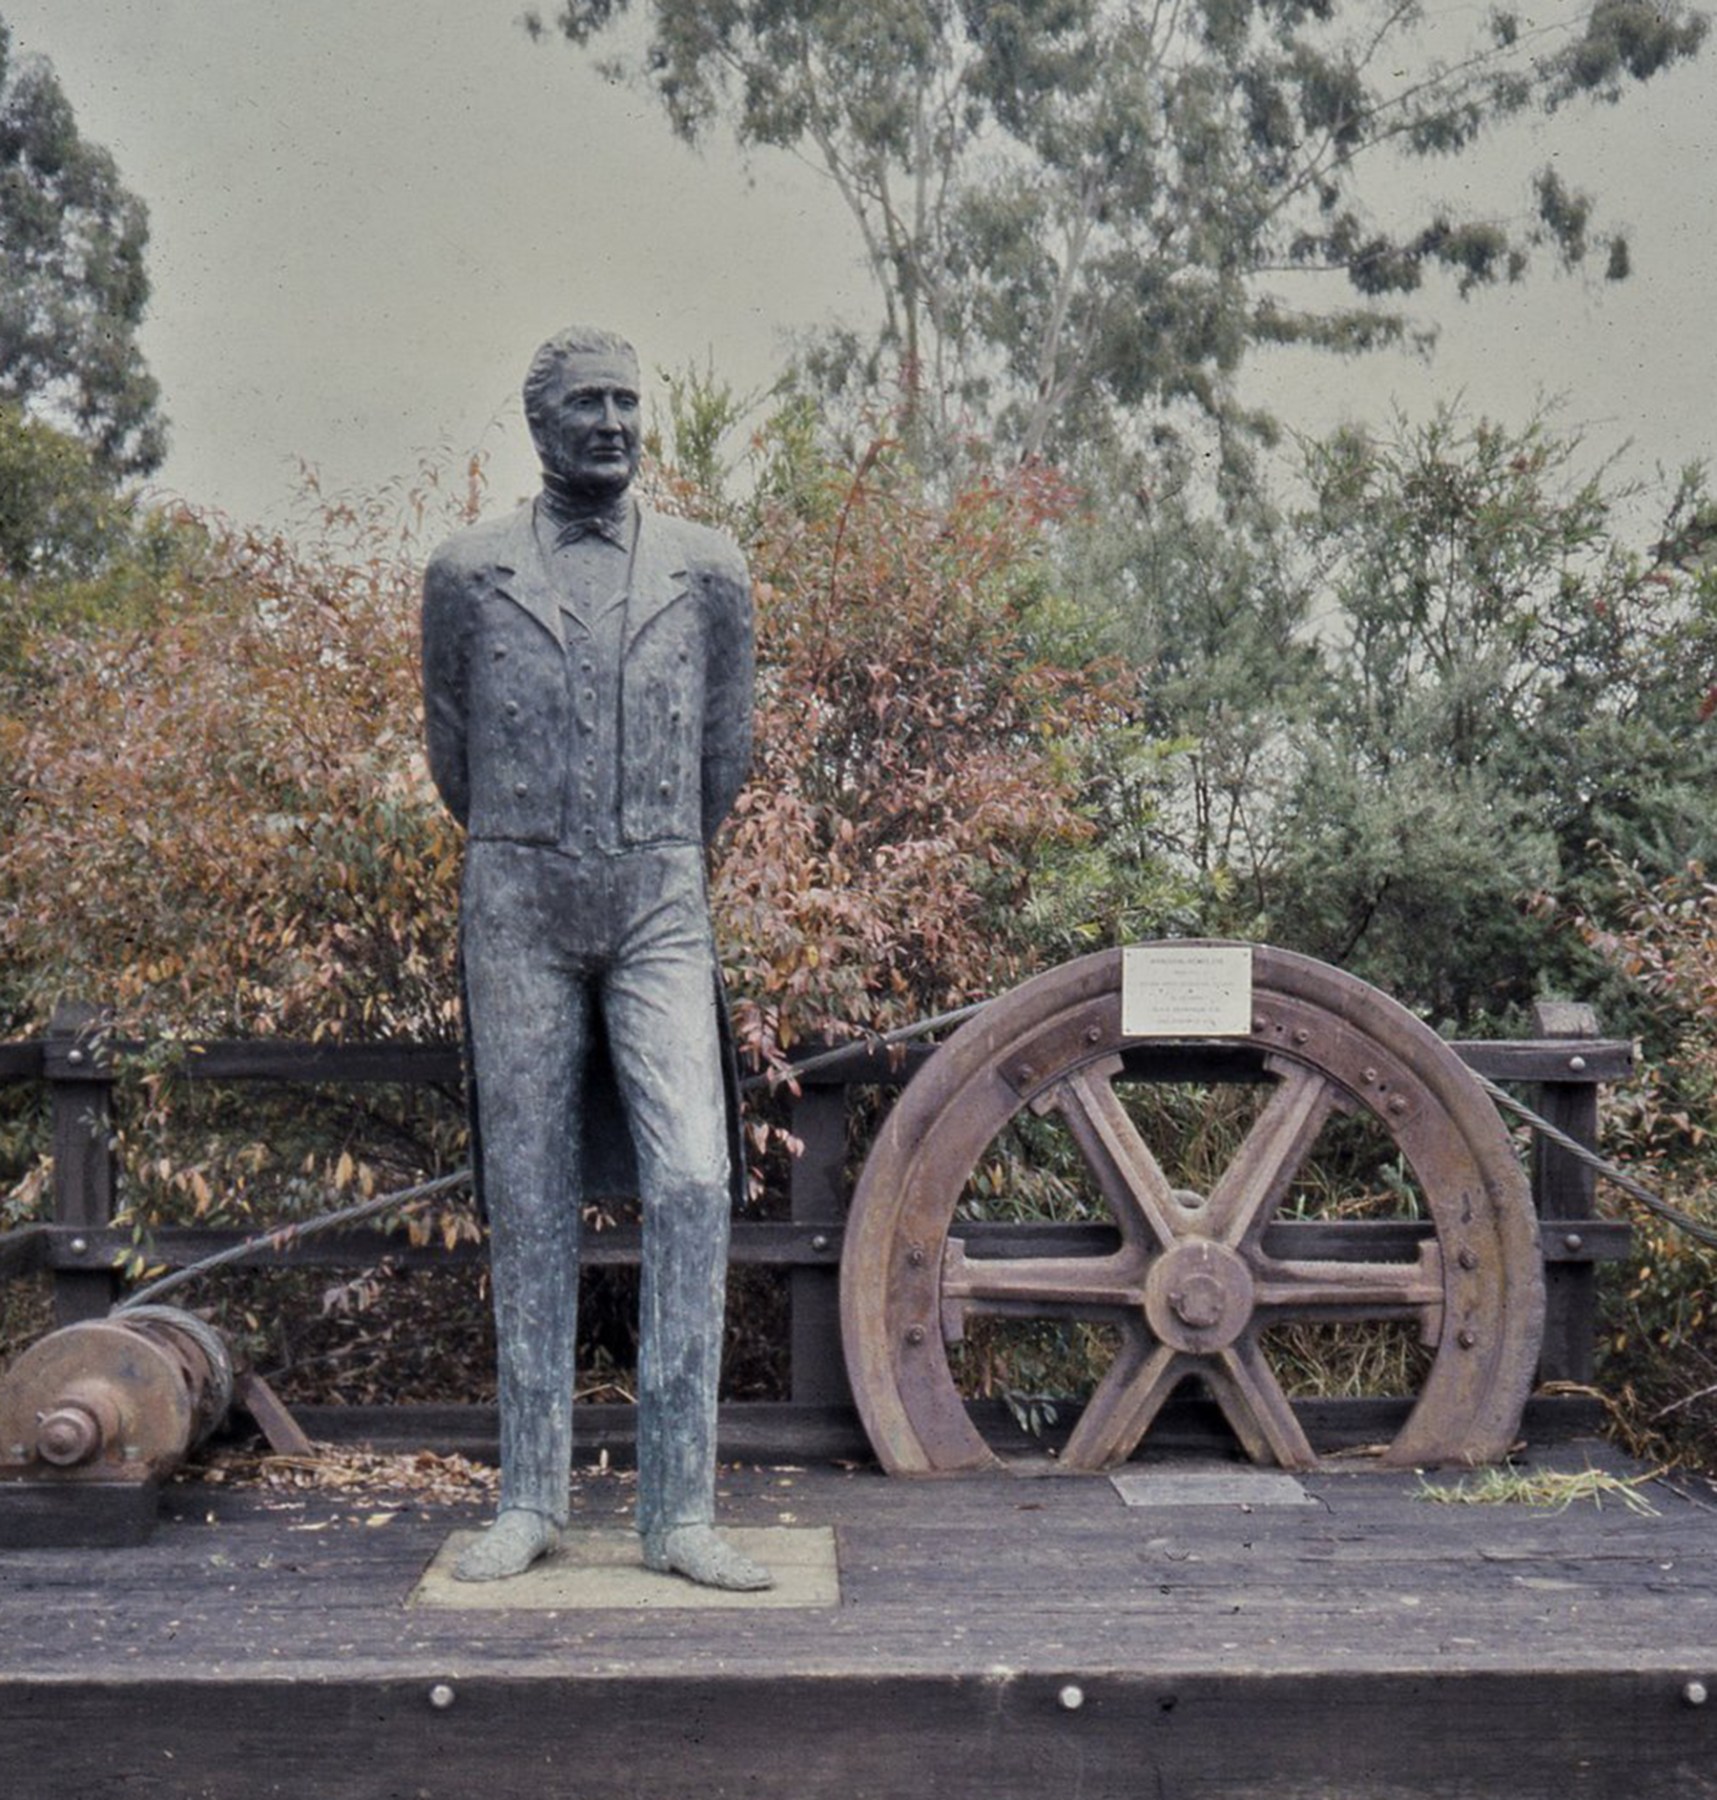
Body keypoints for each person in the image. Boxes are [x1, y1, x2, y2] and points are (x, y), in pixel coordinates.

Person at [420, 325, 768, 1589]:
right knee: (527, 1191)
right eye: (587, 405)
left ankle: (679, 1513)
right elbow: (452, 754)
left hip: (659, 896)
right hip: (514, 896)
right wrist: (537, 843)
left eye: (628, 402)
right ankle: (530, 1499)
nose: (613, 424)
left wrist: (641, 845)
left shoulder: (707, 568)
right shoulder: (465, 572)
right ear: (540, 425)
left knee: (687, 1178)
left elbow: (723, 757)